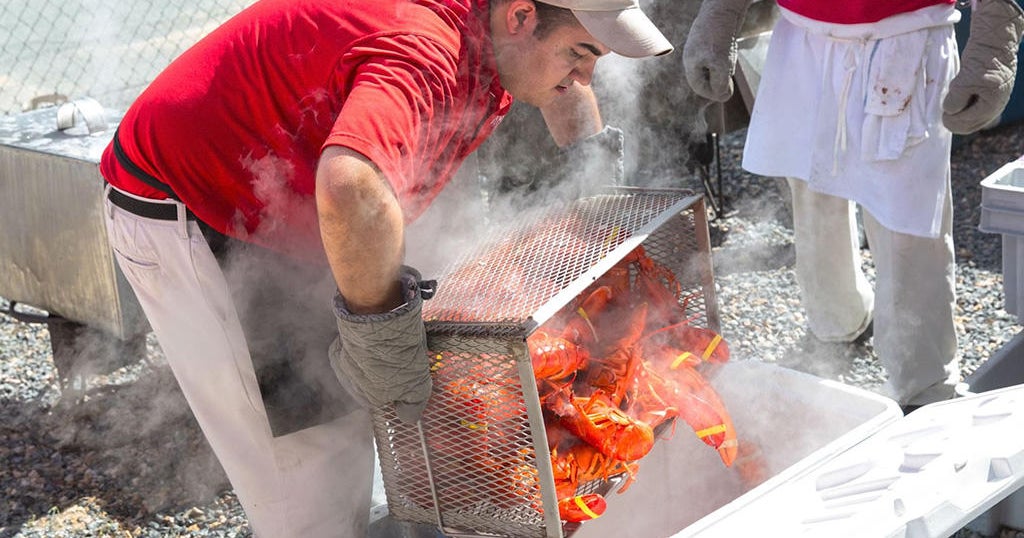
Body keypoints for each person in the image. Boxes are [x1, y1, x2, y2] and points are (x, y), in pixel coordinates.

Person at [98, 0, 672, 535]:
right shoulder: (424, 53)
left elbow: (564, 79)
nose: (583, 78)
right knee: (308, 457)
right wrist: (382, 343)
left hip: (302, 191)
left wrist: (599, 207)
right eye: (578, 54)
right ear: (521, 16)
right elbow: (349, 190)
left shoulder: (505, 27)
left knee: (396, 388)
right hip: (200, 208)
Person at [683, 0, 1024, 410]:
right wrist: (718, 18)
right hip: (802, 38)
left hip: (906, 44)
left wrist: (992, 48)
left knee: (908, 220)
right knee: (811, 194)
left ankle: (925, 385)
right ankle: (837, 321)